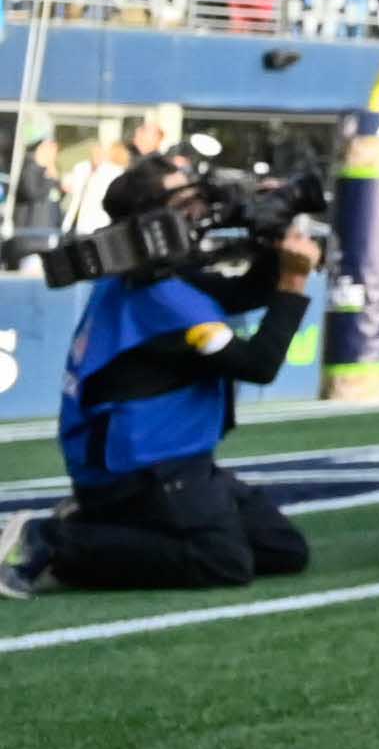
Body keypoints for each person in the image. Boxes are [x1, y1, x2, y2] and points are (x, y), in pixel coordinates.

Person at [0, 161, 321, 597]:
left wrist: (270, 239)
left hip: (163, 459)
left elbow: (242, 294)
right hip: (140, 466)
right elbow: (258, 364)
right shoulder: (158, 294)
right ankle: (55, 542)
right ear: (153, 218)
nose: (201, 206)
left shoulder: (147, 274)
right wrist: (294, 279)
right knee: (222, 560)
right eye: (184, 199)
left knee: (282, 550)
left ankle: (107, 526)